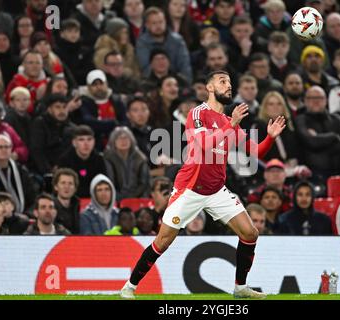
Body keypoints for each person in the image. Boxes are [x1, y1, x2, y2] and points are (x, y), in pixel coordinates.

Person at [120, 70, 286, 299]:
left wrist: (270, 137)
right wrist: (231, 125)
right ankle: (129, 286)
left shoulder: (229, 121)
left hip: (216, 189)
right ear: (209, 87)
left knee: (250, 233)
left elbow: (255, 151)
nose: (228, 85)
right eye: (222, 81)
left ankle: (240, 287)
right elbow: (202, 144)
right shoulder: (197, 113)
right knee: (164, 240)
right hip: (190, 188)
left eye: (229, 81)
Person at [295, 86, 340, 183]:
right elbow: (311, 142)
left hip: (339, 172)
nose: (316, 101)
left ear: (326, 100)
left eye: (320, 98)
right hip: (313, 175)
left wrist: (319, 141)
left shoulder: (336, 119)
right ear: (305, 101)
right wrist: (334, 136)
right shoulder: (301, 119)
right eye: (312, 98)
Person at [136, 6, 192, 80]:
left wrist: (185, 85)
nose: (158, 26)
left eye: (161, 22)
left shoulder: (177, 40)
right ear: (147, 25)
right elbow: (145, 68)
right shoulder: (142, 42)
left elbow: (185, 66)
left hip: (176, 83)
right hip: (152, 83)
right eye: (154, 23)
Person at [78, 69, 126, 150]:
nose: (99, 87)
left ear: (106, 84)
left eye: (101, 83)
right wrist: (113, 123)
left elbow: (125, 121)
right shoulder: (84, 102)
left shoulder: (116, 100)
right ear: (88, 87)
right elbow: (88, 121)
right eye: (94, 85)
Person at [0, 134, 35, 214]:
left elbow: (32, 196)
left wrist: (28, 214)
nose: (4, 150)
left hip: (22, 216)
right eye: (0, 147)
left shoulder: (20, 170)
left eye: (7, 147)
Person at [30, 94, 76, 175]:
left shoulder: (72, 128)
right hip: (44, 171)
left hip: (67, 171)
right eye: (57, 107)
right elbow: (37, 150)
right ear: (50, 109)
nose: (62, 111)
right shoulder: (40, 123)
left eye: (64, 107)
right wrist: (49, 171)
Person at [56, 125, 107, 198]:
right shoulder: (64, 160)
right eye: (81, 140)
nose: (86, 144)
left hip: (94, 198)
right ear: (74, 143)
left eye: (89, 139)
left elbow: (102, 183)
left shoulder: (99, 159)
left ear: (94, 142)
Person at [104, 126, 151, 200]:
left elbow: (144, 184)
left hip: (138, 197)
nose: (123, 141)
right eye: (120, 138)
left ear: (131, 140)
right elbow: (110, 183)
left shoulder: (140, 158)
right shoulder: (108, 158)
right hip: (115, 198)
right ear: (113, 142)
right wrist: (120, 198)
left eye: (126, 138)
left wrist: (131, 198)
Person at [4, 50, 48, 115]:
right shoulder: (15, 83)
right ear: (23, 64)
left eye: (38, 63)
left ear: (42, 65)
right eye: (30, 63)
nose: (34, 66)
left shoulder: (49, 84)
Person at [52, 168, 81, 235]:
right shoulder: (49, 207)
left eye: (70, 183)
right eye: (63, 183)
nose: (66, 186)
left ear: (75, 188)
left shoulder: (77, 208)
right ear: (56, 186)